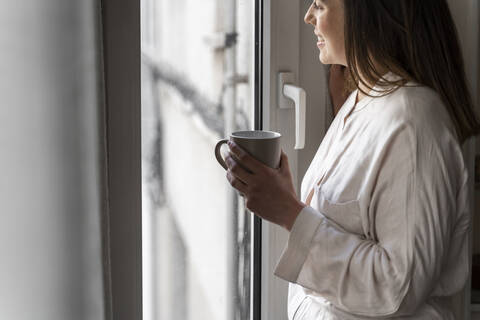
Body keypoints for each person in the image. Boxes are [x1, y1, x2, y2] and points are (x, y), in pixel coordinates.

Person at [223, 0, 480, 319]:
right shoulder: (363, 101)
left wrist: (289, 213)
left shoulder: (413, 121)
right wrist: (285, 197)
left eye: (319, 4)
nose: (307, 17)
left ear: (368, 13)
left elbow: (398, 289)